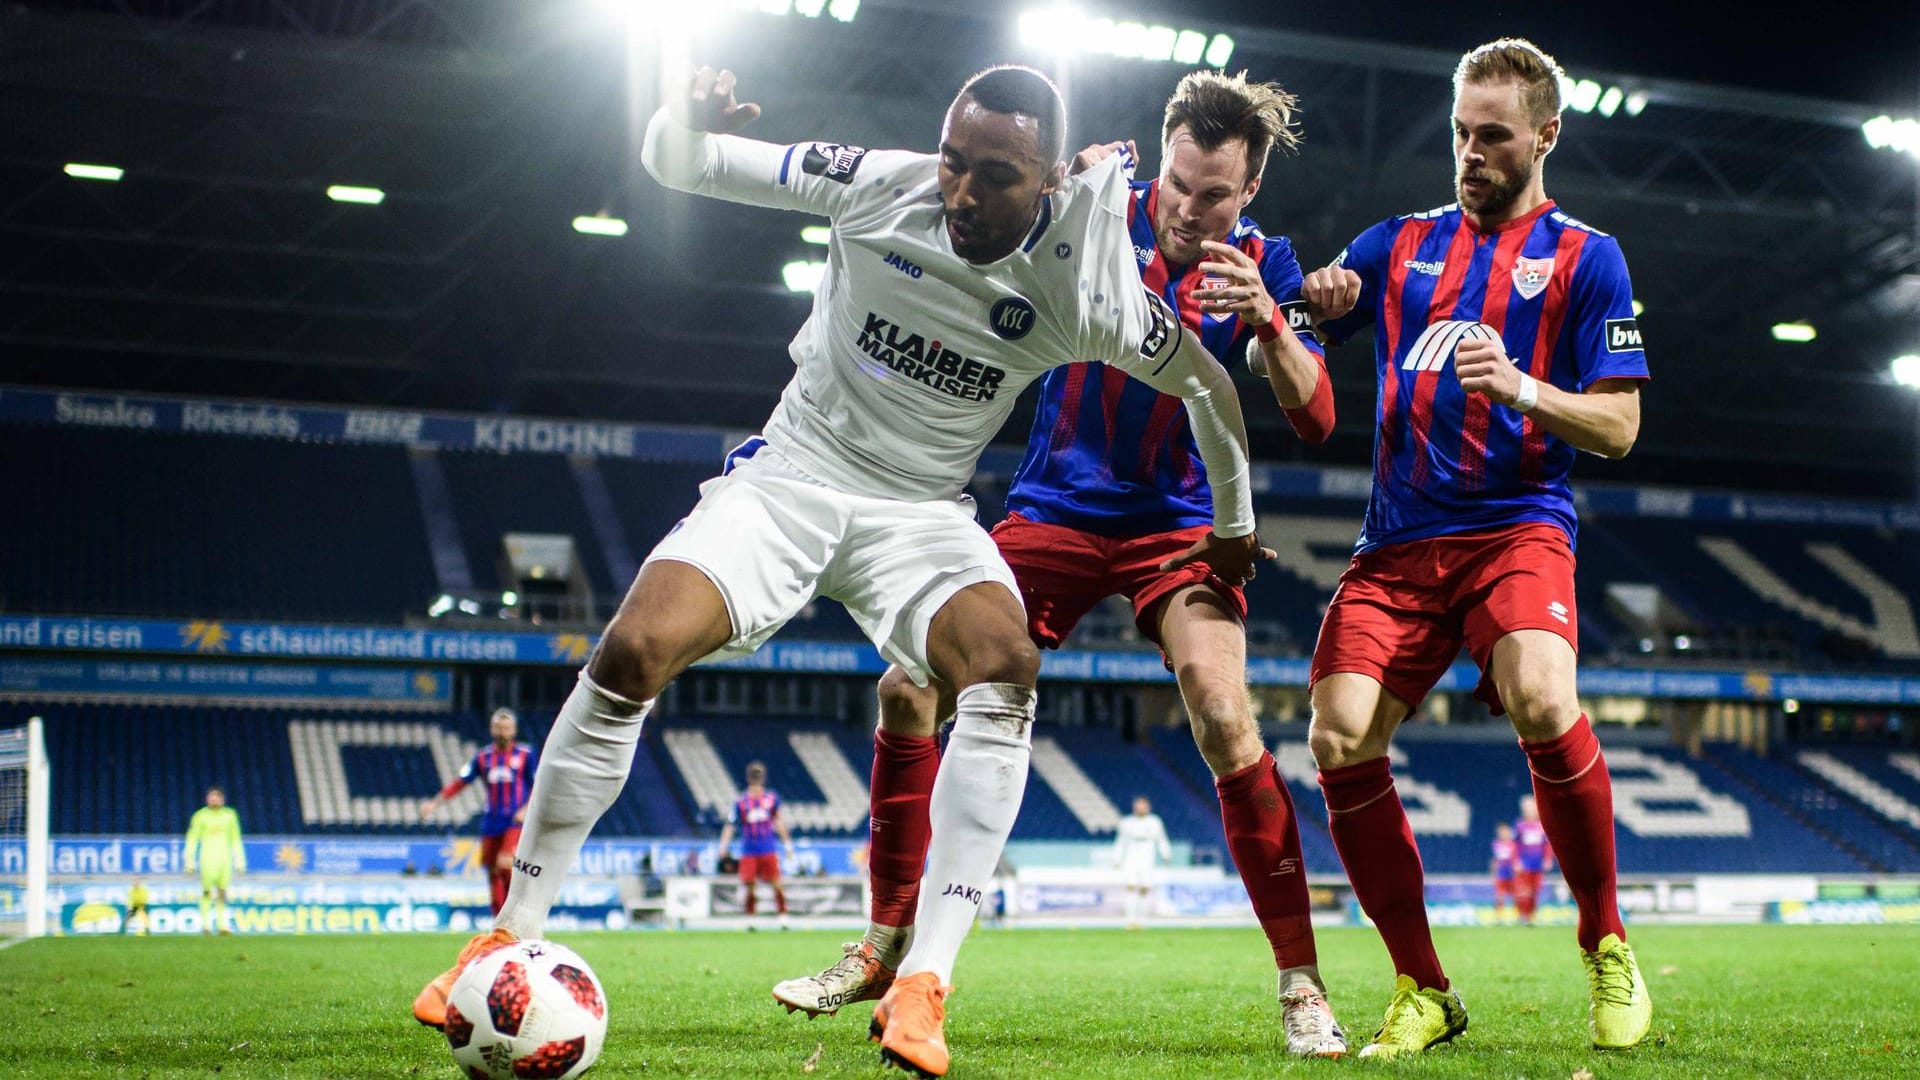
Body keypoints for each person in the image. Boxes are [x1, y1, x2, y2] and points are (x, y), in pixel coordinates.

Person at [411, 63, 1269, 1080]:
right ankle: (509, 932)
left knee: (1004, 661)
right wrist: (676, 125)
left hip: (921, 515)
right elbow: (680, 164)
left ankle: (923, 984)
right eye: (953, 162)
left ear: (1045, 182)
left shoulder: (1086, 288)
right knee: (634, 647)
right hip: (795, 477)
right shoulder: (878, 182)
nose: (958, 192)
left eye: (992, 176)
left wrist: (1232, 524)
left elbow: (1212, 388)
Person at [771, 69, 1349, 1059]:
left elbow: (1316, 413)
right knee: (908, 690)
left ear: (1248, 192)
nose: (1188, 210)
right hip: (1056, 510)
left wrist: (1271, 319)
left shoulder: (1264, 265)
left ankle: (1301, 982)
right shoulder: (1102, 195)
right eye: (1178, 184)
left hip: (1179, 523)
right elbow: (1023, 194)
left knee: (1221, 711)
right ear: (1160, 156)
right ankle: (882, 943)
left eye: (1215, 195)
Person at [1299, 37, 1653, 1055]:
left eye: (1492, 136)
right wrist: (1308, 304)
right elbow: (1312, 317)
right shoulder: (1399, 242)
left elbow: (1621, 429)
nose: (1469, 153)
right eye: (1460, 132)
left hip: (1516, 527)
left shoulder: (1590, 257)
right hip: (1399, 541)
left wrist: (1524, 389)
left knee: (1545, 696)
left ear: (1545, 136)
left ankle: (1605, 940)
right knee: (1337, 736)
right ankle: (1425, 990)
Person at [418, 708, 537, 916]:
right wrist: (434, 804)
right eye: (498, 728)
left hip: (514, 820)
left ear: (514, 730)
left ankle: (517, 913)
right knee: (492, 871)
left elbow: (539, 785)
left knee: (505, 864)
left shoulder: (526, 755)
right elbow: (460, 782)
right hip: (491, 821)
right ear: (492, 729)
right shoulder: (483, 757)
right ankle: (499, 921)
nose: (502, 732)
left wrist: (526, 809)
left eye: (506, 728)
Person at [714, 761, 796, 924]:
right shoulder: (741, 802)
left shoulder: (771, 799)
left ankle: (783, 915)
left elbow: (779, 822)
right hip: (749, 849)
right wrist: (723, 845)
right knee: (749, 883)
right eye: (754, 775)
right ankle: (751, 916)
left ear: (763, 778)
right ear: (749, 778)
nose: (756, 779)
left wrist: (787, 845)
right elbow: (730, 825)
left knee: (776, 882)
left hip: (767, 848)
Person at [184, 786, 245, 936]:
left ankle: (222, 926)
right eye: (212, 797)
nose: (214, 799)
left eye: (217, 797)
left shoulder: (230, 815)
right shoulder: (200, 816)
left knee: (222, 892)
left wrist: (240, 860)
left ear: (222, 799)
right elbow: (192, 839)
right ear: (207, 799)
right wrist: (189, 861)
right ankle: (205, 926)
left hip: (225, 860)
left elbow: (236, 839)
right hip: (207, 859)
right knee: (207, 892)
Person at [1112, 797, 1171, 929]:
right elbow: (1120, 842)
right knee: (1130, 886)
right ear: (1134, 807)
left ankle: (1140, 919)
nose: (1141, 808)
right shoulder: (1127, 822)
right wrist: (1116, 858)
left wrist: (1166, 854)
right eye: (1138, 806)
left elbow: (1161, 839)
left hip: (1147, 858)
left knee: (1145, 887)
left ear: (1148, 807)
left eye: (1143, 806)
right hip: (1131, 858)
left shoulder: (1155, 822)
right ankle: (1130, 919)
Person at [1512, 795, 1555, 924]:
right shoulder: (1520, 825)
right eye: (1527, 808)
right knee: (1524, 890)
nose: (1530, 810)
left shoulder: (1542, 825)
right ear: (1523, 810)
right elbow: (1515, 845)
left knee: (1536, 890)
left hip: (1538, 863)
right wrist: (1516, 861)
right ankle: (1522, 914)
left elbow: (1547, 844)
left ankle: (1532, 915)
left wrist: (1548, 859)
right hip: (1524, 863)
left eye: (1532, 807)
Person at [1489, 822, 1518, 920]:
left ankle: (1520, 916)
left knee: (1516, 896)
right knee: (1499, 896)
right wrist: (1493, 875)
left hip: (1512, 875)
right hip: (1501, 875)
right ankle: (1498, 917)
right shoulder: (1496, 844)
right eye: (1501, 831)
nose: (1503, 833)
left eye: (1505, 831)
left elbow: (1516, 860)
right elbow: (1494, 861)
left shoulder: (1514, 845)